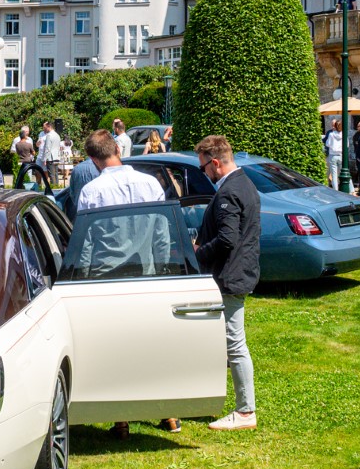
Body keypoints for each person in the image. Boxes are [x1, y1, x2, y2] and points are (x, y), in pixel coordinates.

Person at [72, 130, 178, 436]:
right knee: (152, 344)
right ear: (118, 148)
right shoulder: (150, 183)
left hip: (108, 278)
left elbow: (87, 241)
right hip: (146, 273)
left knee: (114, 348)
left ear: (93, 160)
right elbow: (162, 233)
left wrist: (82, 277)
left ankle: (121, 420)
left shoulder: (92, 191)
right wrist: (163, 270)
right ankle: (168, 412)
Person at [193, 135, 261, 431]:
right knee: (225, 341)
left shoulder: (228, 192)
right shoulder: (244, 182)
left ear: (216, 163)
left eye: (203, 168)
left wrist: (198, 252)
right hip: (239, 270)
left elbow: (227, 239)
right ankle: (212, 397)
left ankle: (246, 411)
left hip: (231, 275)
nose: (204, 174)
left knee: (235, 344)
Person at [324, 119, 344, 187]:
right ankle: (348, 189)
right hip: (341, 154)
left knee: (334, 175)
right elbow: (347, 145)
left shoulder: (331, 134)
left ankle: (335, 189)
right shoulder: (344, 134)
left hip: (333, 155)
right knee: (342, 173)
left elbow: (327, 144)